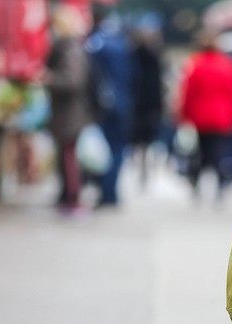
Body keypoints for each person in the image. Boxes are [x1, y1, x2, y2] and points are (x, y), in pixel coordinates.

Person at [175, 31, 232, 201]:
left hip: (200, 117)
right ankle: (221, 183)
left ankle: (197, 181)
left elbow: (187, 92)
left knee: (200, 152)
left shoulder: (195, 64)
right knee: (219, 151)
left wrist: (183, 115)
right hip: (223, 117)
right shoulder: (227, 65)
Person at [44, 5, 91, 216]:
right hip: (69, 113)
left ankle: (73, 199)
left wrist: (48, 78)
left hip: (70, 114)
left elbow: (72, 81)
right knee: (66, 157)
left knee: (69, 158)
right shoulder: (71, 48)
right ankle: (68, 197)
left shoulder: (70, 49)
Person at [86, 5, 134, 208]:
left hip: (103, 105)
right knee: (117, 149)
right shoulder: (120, 41)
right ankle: (111, 192)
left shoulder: (94, 44)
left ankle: (106, 192)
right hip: (122, 103)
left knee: (102, 149)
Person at [129, 17, 164, 187]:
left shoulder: (134, 55)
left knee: (141, 140)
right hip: (147, 105)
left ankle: (143, 167)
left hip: (139, 105)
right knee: (145, 139)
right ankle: (144, 168)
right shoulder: (153, 56)